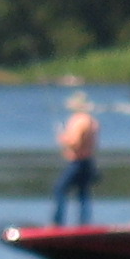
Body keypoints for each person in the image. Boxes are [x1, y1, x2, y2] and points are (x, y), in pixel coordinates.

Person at [51, 92, 101, 225]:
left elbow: (75, 142)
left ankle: (58, 222)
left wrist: (62, 138)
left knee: (60, 189)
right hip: (88, 161)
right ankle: (85, 223)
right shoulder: (93, 121)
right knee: (83, 193)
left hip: (77, 162)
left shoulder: (79, 121)